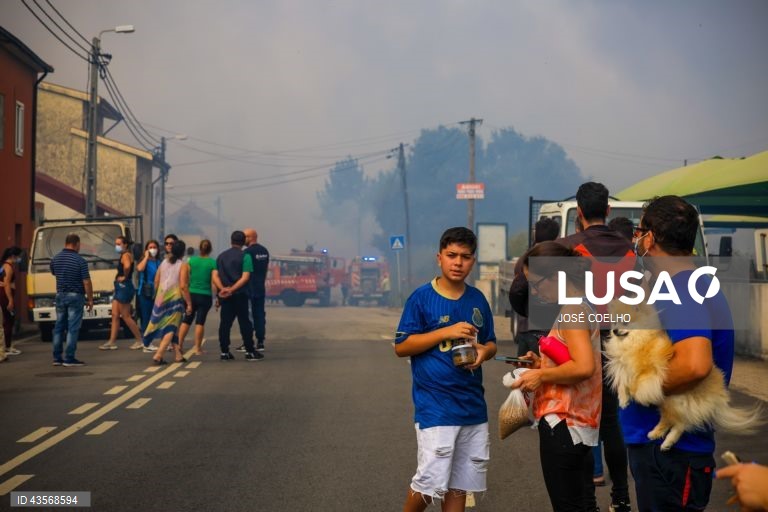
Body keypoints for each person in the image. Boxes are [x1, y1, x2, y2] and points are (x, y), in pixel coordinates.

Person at [620, 195, 735, 512]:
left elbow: (695, 364)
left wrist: (640, 389)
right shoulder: (689, 284)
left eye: (639, 231)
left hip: (671, 454)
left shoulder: (681, 288)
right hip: (669, 453)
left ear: (651, 238)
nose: (636, 239)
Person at [394, 227, 497, 512]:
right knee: (428, 483)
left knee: (459, 485)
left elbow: (491, 342)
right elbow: (401, 346)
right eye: (452, 255)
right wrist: (445, 332)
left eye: (465, 257)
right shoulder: (421, 298)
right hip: (436, 407)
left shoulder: (477, 299)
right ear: (439, 257)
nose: (458, 262)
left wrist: (484, 352)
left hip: (472, 406)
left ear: (473, 261)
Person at [558, 182, 634, 512]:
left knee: (584, 419)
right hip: (620, 342)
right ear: (608, 210)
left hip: (581, 341)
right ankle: (622, 497)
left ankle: (588, 499)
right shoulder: (630, 250)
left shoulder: (567, 248)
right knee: (612, 422)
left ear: (578, 211)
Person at [511, 241, 602, 512]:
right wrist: (542, 363)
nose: (535, 292)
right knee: (581, 503)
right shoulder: (580, 305)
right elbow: (573, 359)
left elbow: (584, 367)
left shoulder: (572, 311)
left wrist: (541, 376)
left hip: (563, 422)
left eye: (536, 284)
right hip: (576, 424)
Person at [508, 217, 560, 357]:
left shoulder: (523, 259)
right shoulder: (553, 260)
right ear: (557, 237)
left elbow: (516, 291)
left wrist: (525, 313)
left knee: (524, 367)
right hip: (546, 330)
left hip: (525, 327)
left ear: (535, 234)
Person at [213, 231, 262, 361]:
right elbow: (245, 277)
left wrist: (223, 290)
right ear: (243, 242)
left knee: (225, 324)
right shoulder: (245, 256)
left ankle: (224, 352)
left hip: (225, 296)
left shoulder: (221, 256)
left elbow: (215, 276)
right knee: (245, 322)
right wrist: (232, 289)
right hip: (241, 294)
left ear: (231, 241)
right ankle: (250, 351)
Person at [143, 240, 192, 365]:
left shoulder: (164, 262)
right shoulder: (183, 265)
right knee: (171, 327)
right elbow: (183, 286)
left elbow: (156, 280)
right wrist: (189, 303)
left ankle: (178, 355)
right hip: (174, 299)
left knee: (173, 327)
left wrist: (157, 296)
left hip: (160, 298)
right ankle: (159, 355)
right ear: (183, 252)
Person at [49, 234, 94, 366]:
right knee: (72, 328)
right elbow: (86, 281)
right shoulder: (80, 260)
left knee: (58, 327)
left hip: (60, 295)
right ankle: (69, 358)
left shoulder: (55, 258)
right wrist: (90, 299)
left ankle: (57, 358)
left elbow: (54, 272)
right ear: (77, 244)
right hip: (75, 296)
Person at [100, 236, 143, 350]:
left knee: (126, 316)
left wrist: (124, 276)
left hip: (124, 287)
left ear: (125, 245)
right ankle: (112, 341)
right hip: (120, 287)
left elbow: (127, 266)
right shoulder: (125, 255)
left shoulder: (125, 255)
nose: (117, 246)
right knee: (115, 315)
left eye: (119, 244)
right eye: (116, 244)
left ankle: (140, 340)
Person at [178, 239, 217, 356]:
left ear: (199, 249)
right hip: (205, 295)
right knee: (200, 321)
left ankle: (179, 345)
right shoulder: (212, 263)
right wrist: (216, 296)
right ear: (210, 249)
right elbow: (213, 282)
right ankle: (198, 348)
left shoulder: (191, 261)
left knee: (187, 319)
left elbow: (186, 278)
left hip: (191, 294)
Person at [240, 228, 269, 352]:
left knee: (248, 317)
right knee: (260, 315)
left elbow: (244, 272)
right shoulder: (264, 251)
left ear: (251, 237)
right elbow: (265, 270)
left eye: (245, 237)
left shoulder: (246, 253)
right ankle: (260, 341)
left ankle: (247, 343)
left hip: (249, 289)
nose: (243, 240)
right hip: (260, 288)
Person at [136, 239, 161, 352]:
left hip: (156, 292)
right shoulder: (144, 261)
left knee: (154, 318)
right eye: (150, 247)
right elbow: (140, 268)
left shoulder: (158, 262)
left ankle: (149, 341)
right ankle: (146, 343)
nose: (153, 249)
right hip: (145, 292)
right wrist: (146, 257)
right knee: (146, 318)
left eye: (154, 247)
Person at [0, 246, 24, 356]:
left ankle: (7, 345)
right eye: (18, 256)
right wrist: (10, 300)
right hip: (5, 295)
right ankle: (7, 347)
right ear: (13, 256)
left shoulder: (3, 265)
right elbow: (6, 284)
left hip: (3, 294)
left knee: (7, 320)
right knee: (9, 320)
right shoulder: (8, 267)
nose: (19, 259)